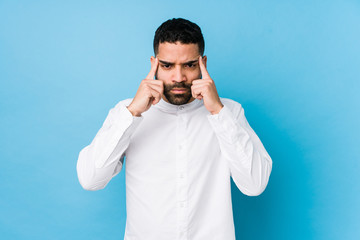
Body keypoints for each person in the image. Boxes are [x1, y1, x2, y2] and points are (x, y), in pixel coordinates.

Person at [77, 18, 272, 240]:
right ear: (154, 63)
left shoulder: (229, 111)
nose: (178, 78)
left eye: (189, 65)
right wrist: (132, 114)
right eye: (167, 65)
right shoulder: (126, 111)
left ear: (203, 63)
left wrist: (218, 112)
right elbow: (90, 179)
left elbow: (255, 184)